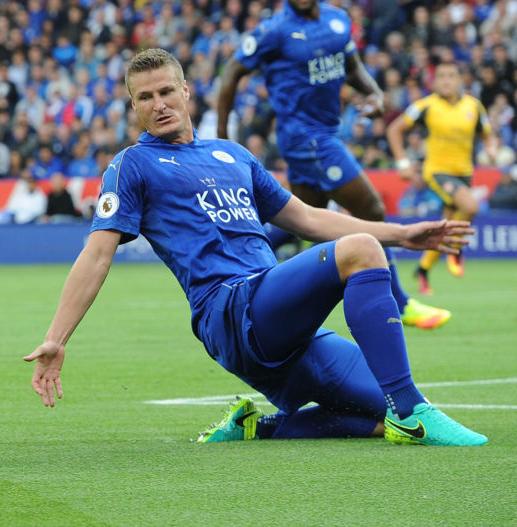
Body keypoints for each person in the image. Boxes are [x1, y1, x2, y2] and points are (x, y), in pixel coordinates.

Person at [25, 49, 487, 447]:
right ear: (133, 106)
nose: (159, 104)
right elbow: (97, 253)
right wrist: (56, 338)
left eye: (166, 91)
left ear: (186, 92)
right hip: (230, 311)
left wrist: (402, 234)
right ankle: (413, 415)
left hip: (283, 323)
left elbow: (305, 218)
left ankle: (257, 427)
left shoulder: (234, 154)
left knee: (376, 415)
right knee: (361, 251)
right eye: (145, 97)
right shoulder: (131, 166)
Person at [216, 0, 450, 330]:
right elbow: (230, 75)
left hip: (328, 132)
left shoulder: (338, 20)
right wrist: (225, 137)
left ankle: (232, 260)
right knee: (371, 208)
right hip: (306, 138)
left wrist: (374, 96)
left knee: (302, 222)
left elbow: (354, 69)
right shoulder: (272, 32)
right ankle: (400, 303)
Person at [386, 61, 496, 294]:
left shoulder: (474, 107)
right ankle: (456, 250)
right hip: (437, 171)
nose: (446, 80)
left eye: (452, 75)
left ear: (460, 80)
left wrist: (492, 149)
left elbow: (487, 135)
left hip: (464, 173)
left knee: (445, 228)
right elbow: (394, 129)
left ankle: (423, 270)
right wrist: (403, 163)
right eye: (442, 76)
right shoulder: (425, 106)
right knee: (470, 206)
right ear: (435, 82)